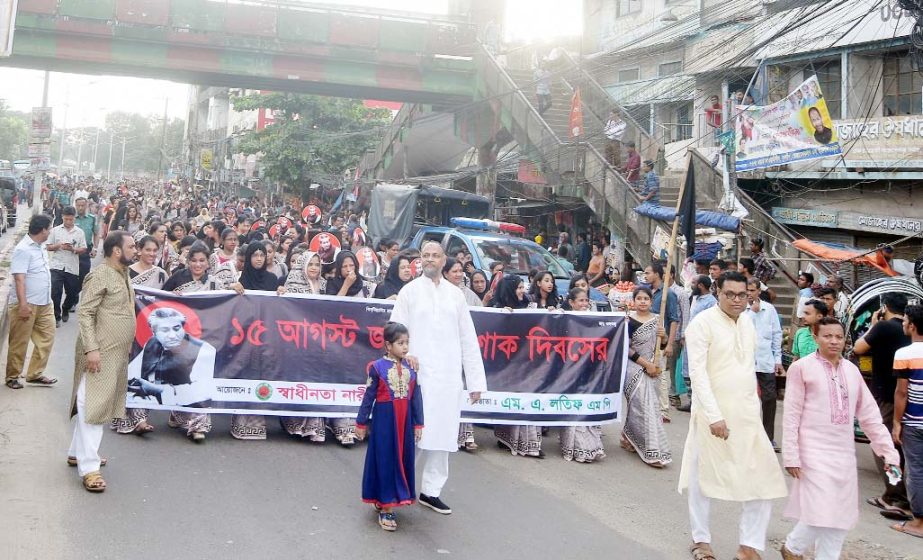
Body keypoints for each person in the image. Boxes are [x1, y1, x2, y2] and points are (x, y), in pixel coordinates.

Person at [680, 272, 788, 560]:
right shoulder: (702, 324)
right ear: (718, 292)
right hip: (711, 414)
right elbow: (698, 373)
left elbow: (746, 367)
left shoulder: (749, 323)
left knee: (764, 480)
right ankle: (701, 541)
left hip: (747, 415)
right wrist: (714, 415)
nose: (737, 300)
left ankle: (748, 546)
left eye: (743, 294)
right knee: (703, 476)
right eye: (730, 294)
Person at [781, 318, 900, 560]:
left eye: (838, 336)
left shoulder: (852, 371)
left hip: (843, 454)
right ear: (815, 337)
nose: (834, 341)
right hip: (812, 452)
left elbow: (870, 416)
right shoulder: (801, 368)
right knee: (821, 511)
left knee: (840, 516)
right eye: (827, 336)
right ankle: (793, 547)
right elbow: (791, 415)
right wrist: (791, 454)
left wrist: (889, 452)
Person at [389, 241, 486, 515]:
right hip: (415, 377)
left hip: (447, 378)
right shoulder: (409, 292)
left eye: (435, 255)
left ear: (444, 261)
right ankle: (395, 489)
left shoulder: (456, 296)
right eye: (426, 255)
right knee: (413, 436)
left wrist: (476, 382)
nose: (430, 259)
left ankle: (431, 491)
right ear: (420, 260)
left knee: (442, 437)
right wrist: (403, 357)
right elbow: (394, 331)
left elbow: (468, 339)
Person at [67, 231, 138, 493]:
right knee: (93, 407)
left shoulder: (123, 274)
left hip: (115, 353)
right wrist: (92, 350)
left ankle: (77, 452)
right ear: (116, 251)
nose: (136, 249)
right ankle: (89, 468)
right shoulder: (100, 275)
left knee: (93, 403)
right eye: (131, 246)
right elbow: (85, 313)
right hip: (99, 352)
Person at [160, 242, 232, 442]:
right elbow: (160, 300)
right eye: (193, 260)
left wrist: (235, 287)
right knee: (181, 377)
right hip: (181, 339)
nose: (197, 264)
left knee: (200, 379)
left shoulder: (214, 282)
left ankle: (197, 426)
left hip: (205, 337)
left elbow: (227, 301)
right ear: (188, 261)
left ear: (208, 263)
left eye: (202, 261)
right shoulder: (178, 278)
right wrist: (171, 297)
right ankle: (177, 414)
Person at [355, 322, 423, 531]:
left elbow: (416, 398)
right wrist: (361, 422)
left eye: (407, 343)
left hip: (405, 422)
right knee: (385, 460)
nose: (405, 347)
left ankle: (389, 498)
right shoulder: (377, 368)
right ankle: (386, 508)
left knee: (401, 459)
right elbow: (369, 397)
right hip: (385, 422)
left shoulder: (411, 368)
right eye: (400, 343)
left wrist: (418, 423)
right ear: (387, 345)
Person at [853, 292, 913, 519]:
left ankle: (894, 494)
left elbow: (859, 348)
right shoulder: (909, 329)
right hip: (908, 396)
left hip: (888, 395)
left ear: (884, 307)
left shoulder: (883, 328)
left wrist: (873, 325)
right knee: (901, 446)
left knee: (883, 446)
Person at [110, 235, 169, 435]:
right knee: (126, 372)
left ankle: (141, 418)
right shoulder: (127, 272)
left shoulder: (161, 274)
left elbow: (167, 301)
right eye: (148, 250)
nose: (152, 254)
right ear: (139, 250)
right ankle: (123, 418)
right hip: (128, 327)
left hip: (149, 334)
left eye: (155, 251)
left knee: (144, 373)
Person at [228, 242, 285, 441]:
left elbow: (277, 307)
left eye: (262, 254)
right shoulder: (241, 280)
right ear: (249, 258)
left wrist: (281, 293)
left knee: (262, 373)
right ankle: (242, 422)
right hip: (245, 337)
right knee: (246, 373)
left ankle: (258, 421)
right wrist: (232, 289)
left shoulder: (271, 280)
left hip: (266, 335)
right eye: (255, 255)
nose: (259, 258)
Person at [491, 275, 543, 457]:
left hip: (528, 364)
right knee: (513, 400)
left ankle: (529, 442)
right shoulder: (497, 309)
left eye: (523, 287)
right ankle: (507, 438)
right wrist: (503, 317)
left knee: (528, 400)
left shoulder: (528, 307)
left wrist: (550, 313)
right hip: (507, 366)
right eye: (519, 288)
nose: (522, 291)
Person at [621, 286, 671, 468]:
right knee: (642, 408)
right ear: (634, 301)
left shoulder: (657, 320)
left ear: (651, 301)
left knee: (651, 408)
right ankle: (651, 450)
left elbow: (662, 346)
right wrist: (646, 365)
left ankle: (628, 437)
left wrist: (664, 337)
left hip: (655, 368)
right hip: (635, 369)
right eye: (639, 298)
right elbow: (626, 349)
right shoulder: (628, 321)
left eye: (646, 299)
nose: (642, 302)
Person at [5, 214, 57, 389]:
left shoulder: (41, 246)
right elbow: (19, 279)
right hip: (27, 303)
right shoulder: (23, 249)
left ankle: (35, 374)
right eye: (49, 228)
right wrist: (23, 305)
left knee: (47, 337)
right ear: (42, 230)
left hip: (44, 302)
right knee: (20, 341)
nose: (50, 231)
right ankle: (12, 376)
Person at [557, 287, 606, 462]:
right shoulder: (563, 318)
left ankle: (592, 445)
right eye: (581, 301)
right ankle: (574, 445)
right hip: (569, 369)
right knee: (572, 405)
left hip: (588, 369)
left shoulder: (594, 319)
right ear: (571, 303)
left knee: (585, 405)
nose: (584, 304)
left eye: (586, 301)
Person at [892, 305, 923, 539]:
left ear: (912, 325)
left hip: (914, 421)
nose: (902, 323)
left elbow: (902, 393)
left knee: (916, 471)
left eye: (904, 321)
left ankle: (919, 522)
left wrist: (896, 422)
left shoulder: (904, 354)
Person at [742, 277, 784, 451]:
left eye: (752, 291)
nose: (750, 294)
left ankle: (768, 437)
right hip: (746, 362)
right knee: (746, 399)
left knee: (769, 398)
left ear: (759, 291)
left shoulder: (770, 310)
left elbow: (776, 335)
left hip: (766, 361)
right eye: (747, 291)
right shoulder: (742, 311)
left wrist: (778, 360)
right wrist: (752, 311)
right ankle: (746, 436)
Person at [644, 261, 680, 422]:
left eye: (648, 273)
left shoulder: (668, 294)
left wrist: (670, 343)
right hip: (647, 340)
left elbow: (673, 320)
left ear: (657, 274)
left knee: (661, 375)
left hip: (661, 340)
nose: (645, 276)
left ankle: (663, 410)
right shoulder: (648, 293)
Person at [677, 275, 718, 413]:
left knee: (698, 371)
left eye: (694, 283)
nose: (691, 285)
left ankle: (699, 403)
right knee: (687, 370)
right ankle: (691, 400)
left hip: (701, 342)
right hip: (690, 339)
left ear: (700, 285)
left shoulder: (711, 302)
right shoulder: (695, 299)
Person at [48, 206, 88, 327]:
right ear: (62, 218)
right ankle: (56, 315)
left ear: (74, 218)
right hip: (57, 265)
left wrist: (73, 249)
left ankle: (66, 307)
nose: (68, 222)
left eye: (71, 219)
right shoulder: (55, 230)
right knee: (55, 292)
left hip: (72, 267)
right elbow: (48, 246)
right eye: (66, 219)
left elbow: (84, 248)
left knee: (72, 293)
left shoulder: (79, 232)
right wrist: (58, 246)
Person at [74, 197, 98, 291]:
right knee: (71, 276)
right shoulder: (71, 218)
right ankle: (72, 298)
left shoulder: (92, 219)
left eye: (82, 205)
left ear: (87, 205)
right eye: (78, 205)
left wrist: (95, 248)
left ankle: (76, 293)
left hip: (86, 250)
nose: (80, 208)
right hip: (73, 250)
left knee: (84, 275)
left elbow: (96, 234)